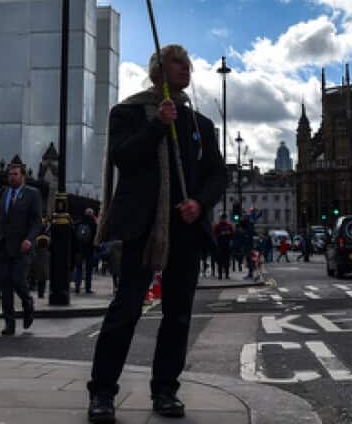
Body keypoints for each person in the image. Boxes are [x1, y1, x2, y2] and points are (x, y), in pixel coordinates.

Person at [87, 44, 226, 423]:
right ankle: (102, 392)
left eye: (188, 64)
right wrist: (156, 126)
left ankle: (165, 390)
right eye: (178, 63)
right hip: (141, 227)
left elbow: (217, 174)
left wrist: (199, 203)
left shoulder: (201, 124)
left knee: (178, 315)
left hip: (185, 229)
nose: (187, 69)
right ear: (158, 72)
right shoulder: (128, 112)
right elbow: (123, 158)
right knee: (125, 310)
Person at [0, 161, 41, 335]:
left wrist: (30, 240)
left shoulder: (32, 194)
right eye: (10, 174)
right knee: (5, 286)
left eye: (15, 174)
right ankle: (9, 323)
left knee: (18, 281)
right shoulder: (1, 193)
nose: (12, 177)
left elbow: (36, 221)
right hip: (1, 246)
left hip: (21, 247)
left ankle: (28, 302)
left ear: (22, 176)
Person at [74, 208, 99, 294]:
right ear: (92, 214)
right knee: (88, 270)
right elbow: (96, 237)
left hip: (79, 250)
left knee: (78, 269)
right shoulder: (94, 224)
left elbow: (74, 237)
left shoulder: (78, 223)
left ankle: (77, 286)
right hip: (90, 250)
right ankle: (88, 288)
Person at [32, 225, 52, 298]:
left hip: (38, 256)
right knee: (43, 277)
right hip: (45, 257)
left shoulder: (36, 237)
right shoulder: (47, 238)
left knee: (38, 276)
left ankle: (39, 292)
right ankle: (42, 292)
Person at [213, 214, 234, 279]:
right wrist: (221, 234)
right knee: (220, 260)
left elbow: (232, 234)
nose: (224, 220)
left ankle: (227, 274)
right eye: (223, 218)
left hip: (226, 245)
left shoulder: (229, 226)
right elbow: (214, 234)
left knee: (226, 260)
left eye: (225, 218)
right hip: (220, 245)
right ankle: (220, 275)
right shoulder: (218, 226)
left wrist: (229, 233)